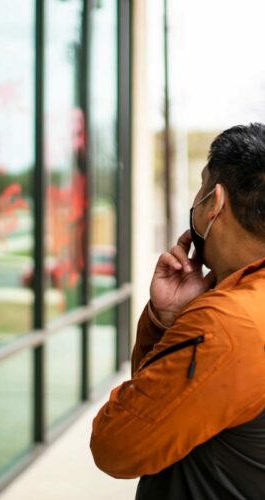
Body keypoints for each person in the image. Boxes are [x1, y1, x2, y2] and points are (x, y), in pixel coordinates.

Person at [89, 123, 265, 499]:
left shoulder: (228, 324)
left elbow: (117, 446)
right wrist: (167, 321)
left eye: (200, 188)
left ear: (214, 202)